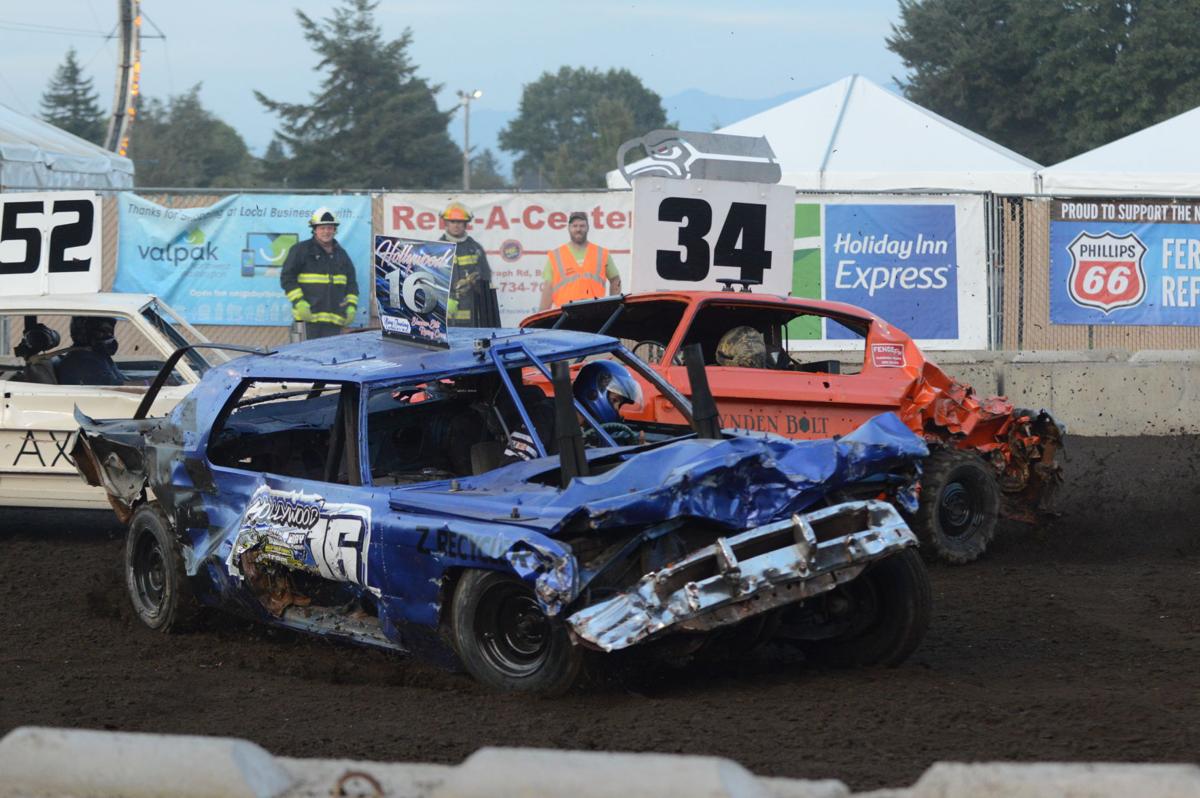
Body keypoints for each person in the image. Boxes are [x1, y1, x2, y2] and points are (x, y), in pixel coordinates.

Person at [280, 208, 359, 339]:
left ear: (335, 230)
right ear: (314, 230)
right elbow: (287, 278)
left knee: (329, 359)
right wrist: (299, 302)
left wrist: (351, 307)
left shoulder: (342, 255)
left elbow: (351, 284)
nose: (326, 232)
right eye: (322, 228)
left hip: (333, 323)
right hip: (306, 320)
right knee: (302, 357)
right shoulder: (301, 250)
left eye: (329, 228)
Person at [537, 211, 622, 311]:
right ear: (569, 228)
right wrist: (541, 315)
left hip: (595, 313)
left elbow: (615, 280)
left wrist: (612, 306)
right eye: (575, 226)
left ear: (587, 228)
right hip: (564, 315)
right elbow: (548, 288)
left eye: (582, 225)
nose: (578, 229)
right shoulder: (556, 256)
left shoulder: (602, 253)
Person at [440, 202, 501, 328]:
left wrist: (474, 283)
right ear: (446, 223)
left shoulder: (475, 248)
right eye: (452, 221)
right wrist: (444, 300)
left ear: (466, 223)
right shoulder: (438, 247)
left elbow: (486, 278)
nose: (456, 225)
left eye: (459, 222)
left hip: (471, 309)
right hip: (444, 309)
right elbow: (432, 279)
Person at [55, 316, 125, 386]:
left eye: (110, 332)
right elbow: (112, 388)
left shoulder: (96, 355)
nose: (109, 336)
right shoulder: (84, 361)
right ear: (86, 332)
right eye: (104, 331)